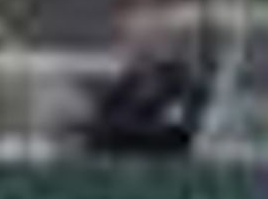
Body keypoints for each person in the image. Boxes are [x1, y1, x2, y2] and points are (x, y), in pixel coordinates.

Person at [78, 10, 212, 159]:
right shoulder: (127, 83)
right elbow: (101, 120)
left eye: (142, 40)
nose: (129, 47)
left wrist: (114, 130)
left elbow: (178, 135)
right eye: (128, 39)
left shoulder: (185, 84)